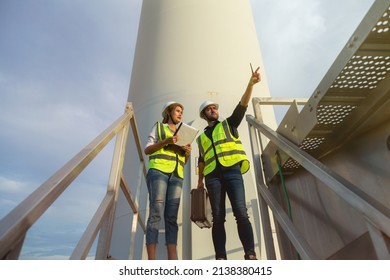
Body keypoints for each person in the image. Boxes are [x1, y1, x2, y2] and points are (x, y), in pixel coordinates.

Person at [196, 67, 261, 260]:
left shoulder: (229, 124)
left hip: (232, 172)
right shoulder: (201, 138)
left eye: (215, 108)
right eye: (209, 109)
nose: (213, 110)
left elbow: (242, 105)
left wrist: (250, 84)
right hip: (212, 177)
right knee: (218, 218)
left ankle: (249, 254)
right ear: (203, 114)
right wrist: (200, 181)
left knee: (241, 212)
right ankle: (221, 258)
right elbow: (201, 160)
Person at [144, 101, 192, 260]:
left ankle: (173, 259)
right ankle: (151, 259)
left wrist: (187, 152)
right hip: (158, 171)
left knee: (171, 217)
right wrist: (166, 141)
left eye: (181, 112)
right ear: (169, 112)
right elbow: (147, 149)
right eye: (178, 111)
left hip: (176, 174)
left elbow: (183, 161)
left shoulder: (182, 134)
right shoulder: (158, 127)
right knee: (156, 213)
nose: (180, 114)